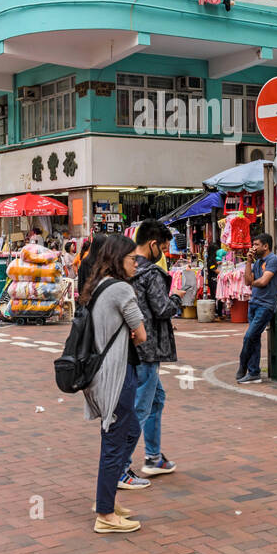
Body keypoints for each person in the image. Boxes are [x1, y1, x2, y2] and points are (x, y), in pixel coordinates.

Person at [78, 234, 149, 534]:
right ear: (119, 259)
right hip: (116, 374)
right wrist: (134, 332)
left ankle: (106, 500)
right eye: (133, 259)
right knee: (114, 440)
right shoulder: (120, 288)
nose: (137, 263)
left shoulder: (98, 284)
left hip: (105, 373)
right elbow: (141, 333)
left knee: (128, 429)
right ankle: (105, 515)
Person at [120, 221, 178, 490]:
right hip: (149, 347)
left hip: (131, 346)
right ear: (153, 244)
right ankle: (121, 468)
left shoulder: (125, 268)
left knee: (156, 399)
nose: (164, 254)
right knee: (140, 407)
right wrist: (177, 297)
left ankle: (154, 457)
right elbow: (162, 308)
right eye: (163, 248)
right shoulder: (152, 273)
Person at [237, 233, 277, 384]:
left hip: (266, 304)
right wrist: (248, 262)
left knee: (249, 336)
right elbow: (247, 281)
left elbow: (263, 282)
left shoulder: (273, 260)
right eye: (253, 244)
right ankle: (254, 372)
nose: (253, 247)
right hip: (254, 302)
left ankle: (243, 363)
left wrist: (253, 282)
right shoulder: (257, 262)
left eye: (256, 245)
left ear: (266, 246)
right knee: (254, 338)